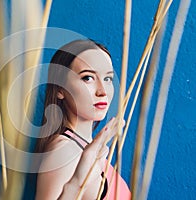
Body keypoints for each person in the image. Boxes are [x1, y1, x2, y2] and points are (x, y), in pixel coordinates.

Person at [35, 39, 131, 199]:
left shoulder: (83, 147)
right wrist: (77, 183)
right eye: (88, 78)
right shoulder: (64, 152)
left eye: (107, 79)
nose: (102, 91)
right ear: (60, 89)